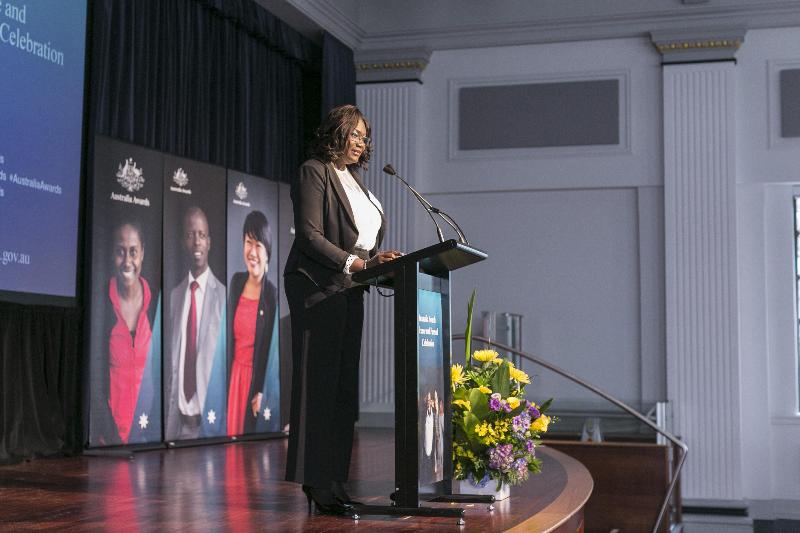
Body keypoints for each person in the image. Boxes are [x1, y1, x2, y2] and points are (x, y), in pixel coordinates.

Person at [284, 104, 401, 515]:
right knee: (320, 387)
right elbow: (310, 236)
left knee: (342, 393)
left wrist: (375, 261)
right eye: (353, 134)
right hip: (318, 288)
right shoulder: (314, 171)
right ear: (334, 132)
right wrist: (357, 263)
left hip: (352, 289)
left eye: (364, 136)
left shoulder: (357, 182)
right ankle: (316, 481)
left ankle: (335, 478)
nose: (360, 143)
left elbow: (360, 241)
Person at [165, 206, 227, 441]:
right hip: (176, 426)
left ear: (209, 242)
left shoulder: (223, 296)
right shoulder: (174, 295)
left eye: (202, 235)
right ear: (183, 241)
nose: (197, 242)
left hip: (210, 424)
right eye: (191, 235)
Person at [95, 221, 159, 445]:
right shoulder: (101, 299)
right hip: (109, 437)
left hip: (149, 434)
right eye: (120, 252)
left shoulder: (157, 301)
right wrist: (105, 430)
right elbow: (95, 375)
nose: (127, 261)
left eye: (133, 252)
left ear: (142, 253)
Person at [226, 210, 278, 435]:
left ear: (268, 252)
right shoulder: (236, 282)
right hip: (232, 380)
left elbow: (270, 351)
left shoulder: (271, 295)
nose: (252, 251)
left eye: (258, 245)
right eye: (248, 242)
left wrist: (262, 390)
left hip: (255, 386)